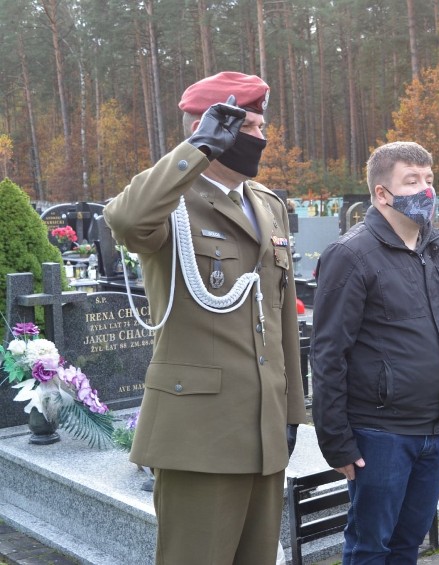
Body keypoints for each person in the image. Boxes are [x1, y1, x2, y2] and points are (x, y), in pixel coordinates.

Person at [104, 71, 306, 565]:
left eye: (262, 125)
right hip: (200, 434)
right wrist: (196, 150)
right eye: (251, 126)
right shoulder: (171, 200)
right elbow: (126, 221)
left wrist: (293, 411)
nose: (262, 137)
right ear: (214, 127)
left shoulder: (268, 205)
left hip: (264, 428)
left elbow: (281, 317)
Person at [310, 141, 439, 563]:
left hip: (434, 431)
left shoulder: (438, 249)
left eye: (429, 179)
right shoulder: (351, 255)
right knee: (369, 545)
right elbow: (328, 355)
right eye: (411, 181)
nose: (426, 190)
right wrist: (337, 441)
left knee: (407, 543)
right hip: (380, 434)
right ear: (382, 194)